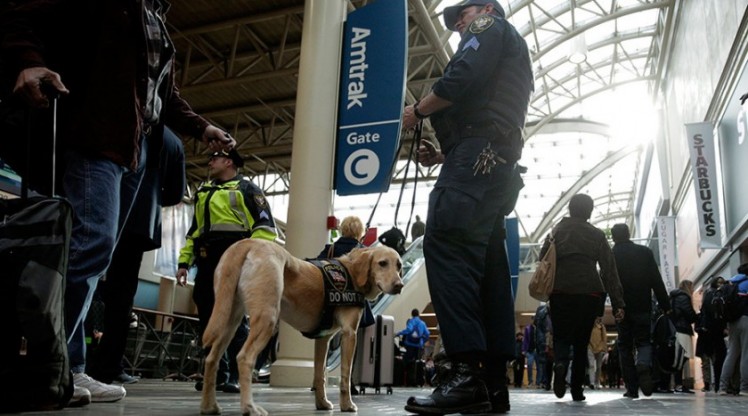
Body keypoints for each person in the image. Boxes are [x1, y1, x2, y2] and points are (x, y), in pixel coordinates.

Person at [0, 0, 235, 405]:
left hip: (134, 147)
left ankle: (68, 366)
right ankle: (51, 366)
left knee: (96, 253)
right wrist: (28, 60)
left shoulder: (156, 18)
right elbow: (22, 12)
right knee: (91, 245)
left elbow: (164, 95)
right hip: (97, 135)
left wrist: (202, 126)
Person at [400, 1, 533, 414]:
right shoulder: (505, 50)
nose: (458, 22)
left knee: (445, 241)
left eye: (464, 12)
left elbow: (464, 76)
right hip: (493, 162)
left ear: (487, 8)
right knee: (488, 266)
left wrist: (418, 110)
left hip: (480, 154)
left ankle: (464, 372)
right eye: (454, 19)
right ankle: (493, 383)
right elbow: (486, 105)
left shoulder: (489, 25)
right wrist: (443, 155)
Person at [87, 126, 186, 385]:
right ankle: (109, 365)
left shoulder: (123, 117)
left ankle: (79, 357)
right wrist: (150, 196)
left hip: (98, 206)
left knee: (84, 280)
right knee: (121, 299)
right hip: (139, 221)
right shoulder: (172, 141)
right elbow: (175, 193)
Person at [176, 148, 277, 393]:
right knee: (207, 315)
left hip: (235, 259)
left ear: (229, 161)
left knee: (234, 316)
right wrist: (183, 263)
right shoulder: (203, 192)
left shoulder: (247, 189)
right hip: (206, 260)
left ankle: (234, 374)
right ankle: (216, 374)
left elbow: (265, 227)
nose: (210, 162)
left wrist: (253, 262)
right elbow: (195, 232)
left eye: (215, 158)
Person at [539, 193, 625, 402]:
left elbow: (543, 257)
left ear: (570, 209)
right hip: (589, 291)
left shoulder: (557, 230)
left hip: (561, 290)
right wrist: (617, 302)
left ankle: (560, 364)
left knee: (561, 335)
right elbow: (608, 269)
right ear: (590, 211)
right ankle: (577, 390)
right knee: (581, 342)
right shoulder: (596, 234)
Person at [610, 222, 670, 398]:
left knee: (624, 345)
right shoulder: (644, 252)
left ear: (613, 237)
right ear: (629, 234)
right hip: (643, 306)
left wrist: (601, 308)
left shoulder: (611, 255)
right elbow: (656, 280)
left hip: (621, 308)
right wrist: (666, 306)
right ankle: (643, 363)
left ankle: (632, 388)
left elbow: (606, 281)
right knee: (644, 341)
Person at [717, 265, 748, 395]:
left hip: (732, 322)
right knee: (746, 354)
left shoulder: (729, 284)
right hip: (746, 319)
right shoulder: (746, 283)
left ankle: (722, 387)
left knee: (731, 354)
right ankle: (744, 388)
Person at [695, 276, 727, 393]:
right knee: (716, 358)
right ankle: (716, 383)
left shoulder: (710, 295)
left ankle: (713, 383)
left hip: (709, 332)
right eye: (719, 282)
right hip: (714, 332)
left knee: (711, 360)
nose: (721, 284)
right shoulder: (716, 295)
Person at [669, 279, 698, 393]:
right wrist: (696, 317)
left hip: (678, 329)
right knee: (682, 358)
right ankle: (679, 384)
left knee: (680, 358)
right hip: (683, 329)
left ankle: (678, 384)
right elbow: (689, 314)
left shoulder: (675, 297)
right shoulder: (683, 297)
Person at [587, 317, 607, 390]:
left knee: (599, 366)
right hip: (590, 347)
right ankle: (592, 382)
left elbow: (604, 338)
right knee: (591, 365)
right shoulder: (589, 327)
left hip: (600, 348)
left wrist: (604, 348)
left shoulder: (601, 327)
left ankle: (597, 382)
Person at [521, 322, 538, 387]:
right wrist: (523, 349)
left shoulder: (539, 328)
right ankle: (530, 381)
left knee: (539, 367)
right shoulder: (528, 328)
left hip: (537, 350)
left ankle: (538, 382)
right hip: (530, 351)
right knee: (529, 365)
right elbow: (525, 339)